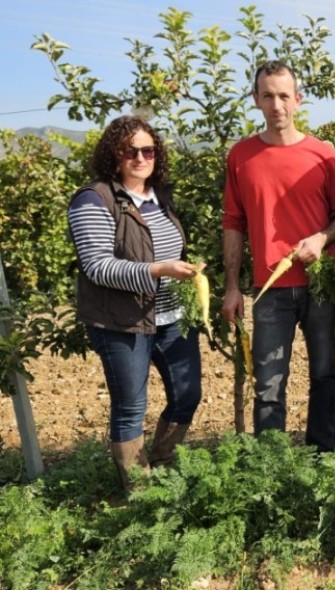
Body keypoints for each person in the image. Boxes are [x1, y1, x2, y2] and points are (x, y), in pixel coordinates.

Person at [221, 60, 335, 451]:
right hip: (269, 291)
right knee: (269, 383)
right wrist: (231, 287)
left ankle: (321, 456)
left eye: (283, 95)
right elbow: (233, 221)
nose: (276, 104)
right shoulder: (241, 156)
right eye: (267, 96)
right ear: (256, 100)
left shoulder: (324, 154)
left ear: (297, 99)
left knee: (325, 375)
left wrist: (322, 238)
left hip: (320, 285)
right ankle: (272, 466)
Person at [68, 115, 202, 489]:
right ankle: (139, 491)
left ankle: (162, 462)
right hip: (122, 323)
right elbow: (97, 267)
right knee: (130, 408)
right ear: (114, 154)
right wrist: (158, 269)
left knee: (188, 394)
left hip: (172, 317)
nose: (141, 157)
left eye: (148, 150)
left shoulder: (159, 196)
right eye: (131, 151)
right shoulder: (94, 199)